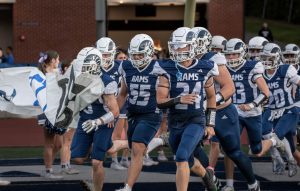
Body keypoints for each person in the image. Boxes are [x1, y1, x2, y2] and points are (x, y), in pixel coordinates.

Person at [156, 27, 218, 191]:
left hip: (195, 120)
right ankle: (206, 176)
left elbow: (212, 97)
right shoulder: (166, 68)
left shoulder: (205, 67)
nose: (177, 50)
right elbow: (160, 101)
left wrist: (210, 124)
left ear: (192, 46)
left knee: (181, 157)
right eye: (175, 46)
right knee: (187, 160)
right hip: (175, 122)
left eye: (181, 46)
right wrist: (178, 99)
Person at [71, 47, 128, 191]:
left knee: (96, 162)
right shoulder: (78, 77)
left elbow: (115, 111)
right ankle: (118, 144)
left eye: (85, 66)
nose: (82, 70)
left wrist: (99, 121)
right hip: (85, 119)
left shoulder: (106, 81)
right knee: (77, 158)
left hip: (103, 121)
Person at [116, 34, 162, 191]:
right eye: (134, 54)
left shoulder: (159, 68)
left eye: (140, 54)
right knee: (134, 148)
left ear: (149, 52)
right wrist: (113, 113)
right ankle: (156, 142)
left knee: (136, 148)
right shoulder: (126, 66)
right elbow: (123, 93)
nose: (136, 57)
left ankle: (127, 187)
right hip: (133, 113)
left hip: (151, 114)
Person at [96, 37, 127, 171]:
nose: (105, 56)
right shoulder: (94, 67)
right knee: (111, 137)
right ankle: (113, 160)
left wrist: (113, 112)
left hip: (119, 104)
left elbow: (123, 90)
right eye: (103, 53)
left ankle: (120, 159)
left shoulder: (120, 67)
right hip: (99, 107)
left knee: (122, 133)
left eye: (108, 53)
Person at [35, 50, 64, 179]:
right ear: (52, 61)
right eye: (57, 60)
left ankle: (48, 167)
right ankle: (48, 170)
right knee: (49, 143)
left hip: (57, 111)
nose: (58, 62)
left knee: (59, 144)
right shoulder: (42, 75)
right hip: (47, 111)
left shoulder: (57, 73)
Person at [59, 60, 80, 175]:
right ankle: (65, 165)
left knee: (67, 141)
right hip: (69, 112)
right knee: (67, 141)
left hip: (69, 111)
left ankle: (66, 164)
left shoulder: (67, 79)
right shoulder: (72, 80)